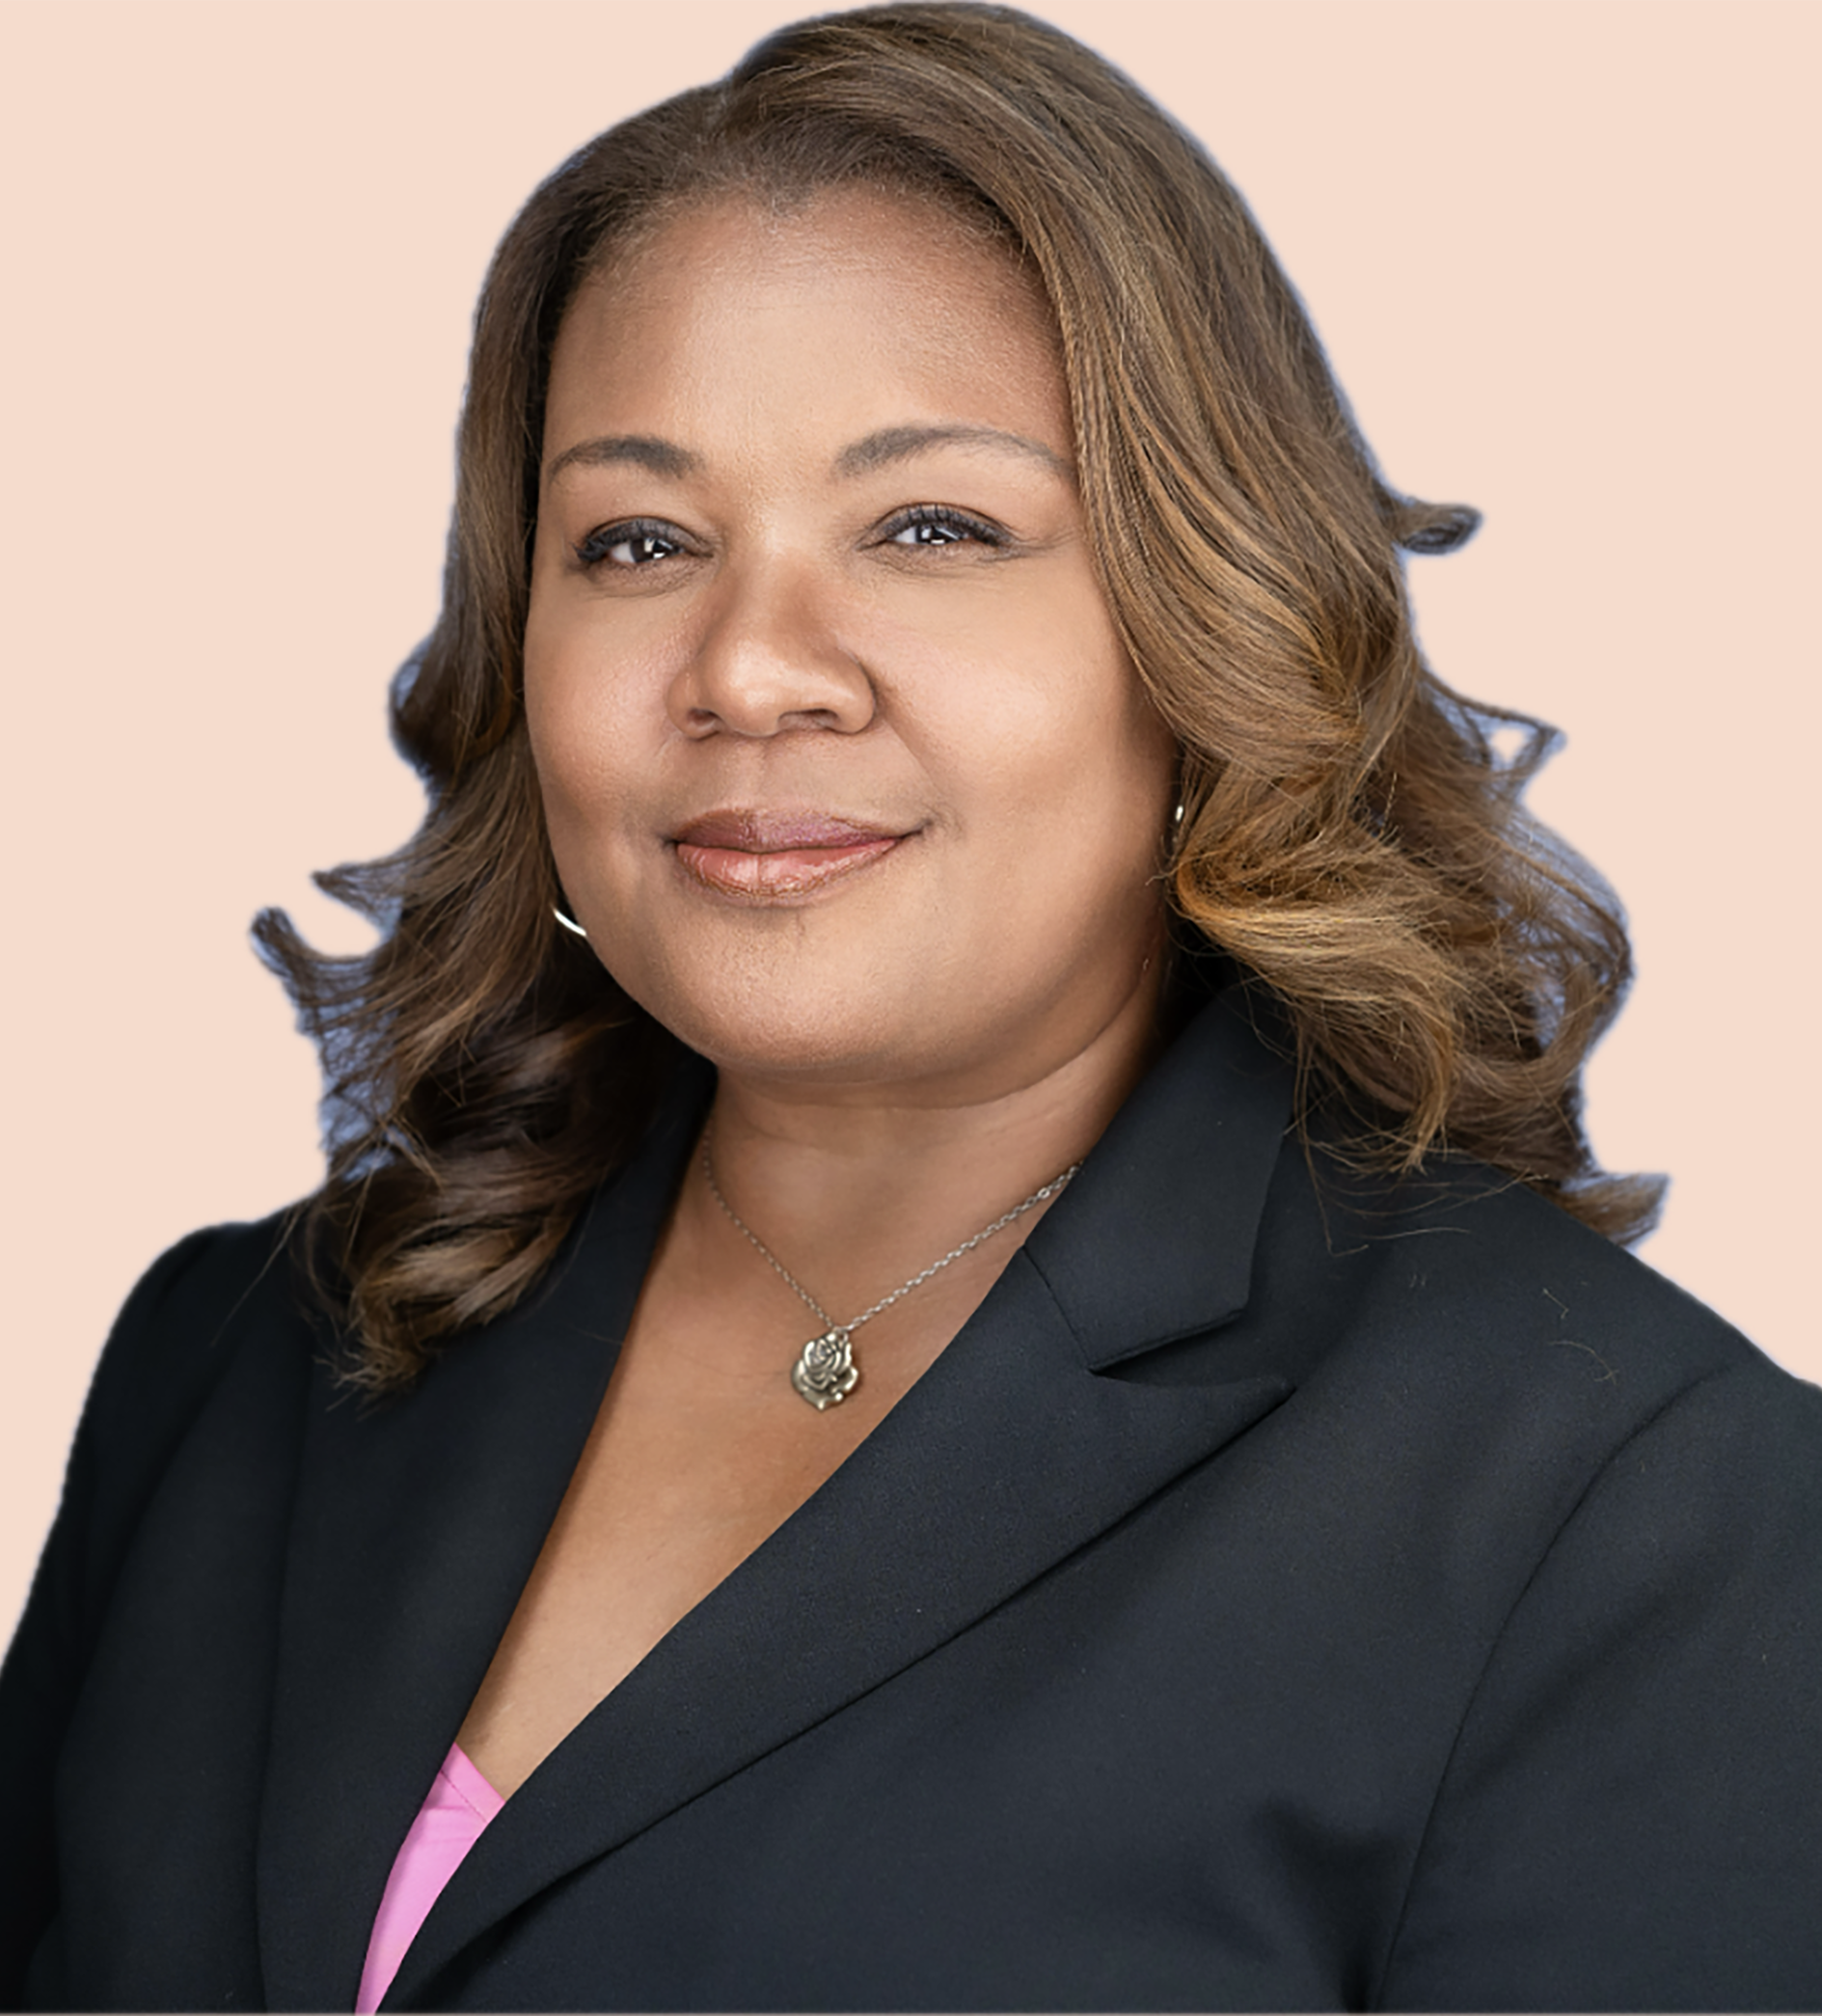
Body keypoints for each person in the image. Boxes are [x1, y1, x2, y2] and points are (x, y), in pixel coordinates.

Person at [3, 4, 1818, 2008]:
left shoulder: (1637, 1519)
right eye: (638, 539)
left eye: (929, 526)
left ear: (1206, 628)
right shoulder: (235, 1361)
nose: (749, 668)